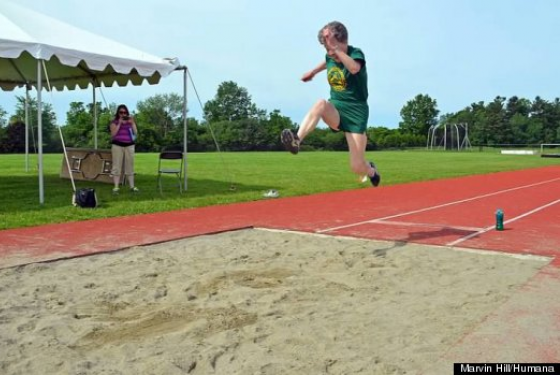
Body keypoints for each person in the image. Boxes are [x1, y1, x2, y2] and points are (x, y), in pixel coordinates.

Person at [281, 21, 380, 187]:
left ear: (343, 41)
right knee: (320, 104)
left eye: (332, 49)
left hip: (357, 113)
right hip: (337, 107)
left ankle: (371, 170)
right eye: (327, 50)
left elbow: (354, 68)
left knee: (357, 167)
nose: (330, 54)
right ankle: (297, 140)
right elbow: (326, 61)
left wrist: (336, 50)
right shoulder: (330, 55)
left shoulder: (356, 53)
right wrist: (312, 72)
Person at [109, 104, 139, 194]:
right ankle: (116, 187)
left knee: (130, 165)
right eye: (121, 112)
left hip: (129, 145)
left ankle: (132, 187)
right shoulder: (114, 122)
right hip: (117, 145)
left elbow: (136, 133)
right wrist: (119, 123)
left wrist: (132, 122)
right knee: (117, 166)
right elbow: (113, 134)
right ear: (118, 113)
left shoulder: (130, 122)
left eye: (125, 112)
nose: (123, 114)